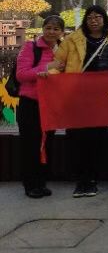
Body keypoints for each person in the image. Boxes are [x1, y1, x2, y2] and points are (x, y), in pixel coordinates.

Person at [49, 5, 108, 198]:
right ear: (86, 20)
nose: (94, 21)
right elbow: (57, 64)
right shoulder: (72, 40)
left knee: (97, 139)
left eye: (98, 17)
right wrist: (51, 76)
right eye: (90, 17)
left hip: (101, 98)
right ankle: (80, 180)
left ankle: (92, 179)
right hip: (75, 97)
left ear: (104, 19)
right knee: (76, 138)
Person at [15, 15, 64, 198]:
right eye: (48, 28)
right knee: (30, 145)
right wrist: (46, 68)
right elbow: (21, 74)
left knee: (47, 143)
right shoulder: (31, 47)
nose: (51, 32)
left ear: (61, 32)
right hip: (30, 104)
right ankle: (30, 185)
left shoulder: (62, 50)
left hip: (50, 104)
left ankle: (41, 182)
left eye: (56, 29)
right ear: (43, 29)